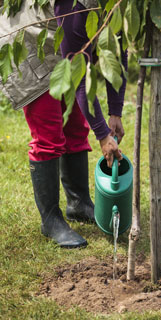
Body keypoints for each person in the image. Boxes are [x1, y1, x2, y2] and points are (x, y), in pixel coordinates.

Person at [0, 0, 127, 249]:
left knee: (76, 128)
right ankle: (50, 221)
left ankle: (78, 203)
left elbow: (116, 50)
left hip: (60, 44)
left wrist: (115, 112)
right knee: (48, 136)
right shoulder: (74, 2)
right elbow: (79, 77)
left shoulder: (115, 3)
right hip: (28, 45)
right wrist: (102, 135)